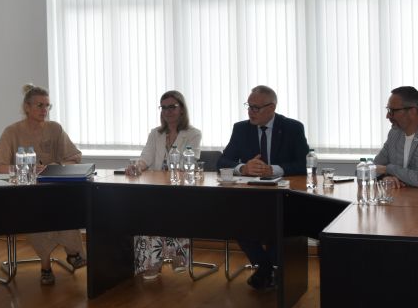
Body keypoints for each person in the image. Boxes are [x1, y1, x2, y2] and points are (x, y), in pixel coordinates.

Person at [0, 84, 86, 285]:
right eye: (40, 105)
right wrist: (26, 169)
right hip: (25, 193)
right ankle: (46, 264)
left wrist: (55, 166)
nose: (44, 110)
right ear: (27, 107)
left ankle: (73, 252)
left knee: (66, 206)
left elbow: (75, 156)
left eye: (47, 106)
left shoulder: (55, 129)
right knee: (37, 209)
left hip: (53, 190)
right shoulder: (12, 132)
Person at [217, 86, 309, 290]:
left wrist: (273, 169)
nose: (250, 112)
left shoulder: (292, 128)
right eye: (249, 106)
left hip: (284, 195)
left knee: (282, 223)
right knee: (236, 222)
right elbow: (222, 161)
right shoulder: (241, 129)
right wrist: (243, 168)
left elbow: (304, 164)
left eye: (255, 108)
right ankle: (268, 269)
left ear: (272, 108)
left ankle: (266, 271)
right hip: (252, 196)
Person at [132, 90, 201, 277]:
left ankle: (178, 255)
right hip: (156, 188)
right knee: (144, 208)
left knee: (173, 205)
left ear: (182, 109)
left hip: (181, 188)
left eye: (172, 107)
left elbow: (190, 161)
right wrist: (137, 166)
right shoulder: (156, 133)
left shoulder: (193, 134)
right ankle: (151, 261)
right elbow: (146, 157)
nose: (167, 111)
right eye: (163, 108)